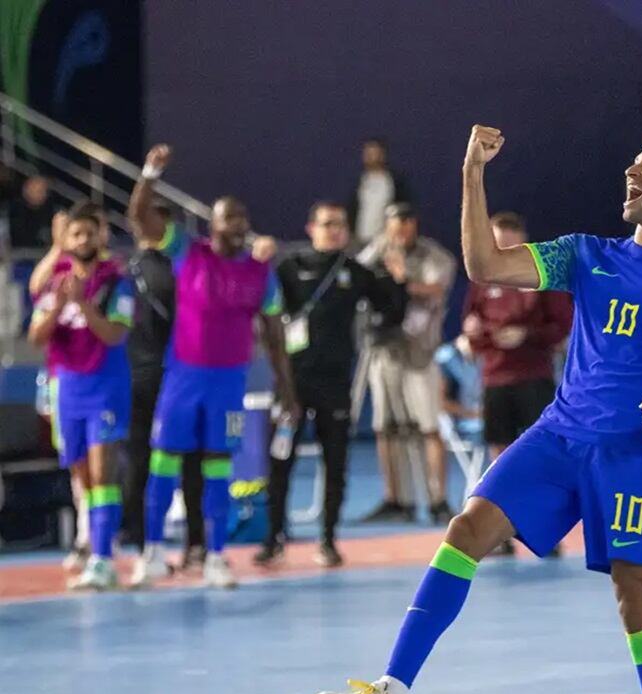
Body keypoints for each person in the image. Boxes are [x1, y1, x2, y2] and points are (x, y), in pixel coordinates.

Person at [313, 126, 642, 694]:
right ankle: (391, 691)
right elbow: (484, 264)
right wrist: (472, 174)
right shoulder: (586, 253)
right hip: (559, 435)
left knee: (638, 600)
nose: (631, 170)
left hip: (633, 450)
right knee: (466, 528)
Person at [127, 144, 300, 590]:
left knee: (218, 469)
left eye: (243, 218)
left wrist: (287, 388)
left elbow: (275, 334)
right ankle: (149, 553)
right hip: (182, 379)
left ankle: (217, 557)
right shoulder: (188, 252)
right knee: (164, 465)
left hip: (228, 384)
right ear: (213, 223)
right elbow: (139, 216)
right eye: (230, 218)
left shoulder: (261, 273)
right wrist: (150, 174)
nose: (239, 225)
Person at [254, 201, 406, 568]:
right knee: (280, 461)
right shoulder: (290, 268)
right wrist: (258, 265)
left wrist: (396, 280)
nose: (334, 230)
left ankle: (328, 540)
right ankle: (274, 538)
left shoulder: (355, 271)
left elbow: (392, 313)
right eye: (327, 224)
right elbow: (259, 305)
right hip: (291, 384)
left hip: (335, 385)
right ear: (311, 228)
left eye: (340, 225)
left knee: (335, 463)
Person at [27, 206, 134, 591]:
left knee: (104, 472)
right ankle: (95, 543)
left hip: (105, 388)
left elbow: (113, 335)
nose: (83, 240)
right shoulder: (56, 282)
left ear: (100, 236)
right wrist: (59, 305)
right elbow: (36, 336)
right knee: (83, 476)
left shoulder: (116, 282)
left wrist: (84, 305)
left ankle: (104, 560)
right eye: (76, 234)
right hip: (67, 390)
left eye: (90, 233)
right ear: (66, 241)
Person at [463, 211, 573, 555]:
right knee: (501, 458)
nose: (503, 252)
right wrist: (476, 335)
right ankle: (503, 535)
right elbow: (471, 323)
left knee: (540, 458)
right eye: (498, 245)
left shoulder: (543, 276)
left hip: (533, 376)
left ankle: (547, 532)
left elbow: (562, 328)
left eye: (510, 245)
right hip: (495, 378)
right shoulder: (481, 278)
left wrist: (526, 334)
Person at [120, 203, 206, 571]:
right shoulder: (184, 270)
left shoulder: (123, 271)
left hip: (140, 377)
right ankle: (196, 546)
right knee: (189, 461)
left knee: (140, 459)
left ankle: (142, 544)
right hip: (173, 378)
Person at [359, 203, 456, 524]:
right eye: (393, 223)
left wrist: (401, 279)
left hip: (419, 354)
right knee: (385, 428)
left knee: (429, 428)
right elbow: (357, 275)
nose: (399, 229)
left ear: (414, 224)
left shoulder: (434, 256)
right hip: (385, 351)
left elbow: (435, 287)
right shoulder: (379, 250)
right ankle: (397, 499)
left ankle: (438, 500)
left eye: (405, 222)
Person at [348, 138, 412, 244]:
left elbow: (403, 210)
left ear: (383, 155)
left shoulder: (394, 182)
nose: (372, 157)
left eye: (376, 153)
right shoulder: (359, 181)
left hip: (386, 241)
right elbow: (352, 210)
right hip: (360, 240)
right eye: (369, 153)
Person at [9, 175, 59, 248]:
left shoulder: (52, 211)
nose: (42, 194)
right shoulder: (14, 209)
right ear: (26, 189)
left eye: (44, 190)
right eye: (38, 190)